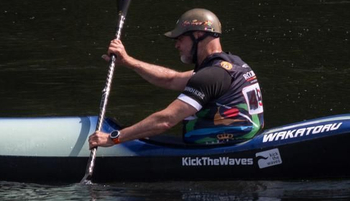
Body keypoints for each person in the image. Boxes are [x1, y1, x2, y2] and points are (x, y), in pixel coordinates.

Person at [88, 8, 265, 149]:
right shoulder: (231, 64)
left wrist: (114, 138)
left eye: (180, 38)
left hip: (220, 149)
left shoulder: (211, 76)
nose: (176, 45)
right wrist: (129, 62)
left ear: (198, 35)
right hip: (238, 141)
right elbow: (171, 79)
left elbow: (166, 120)